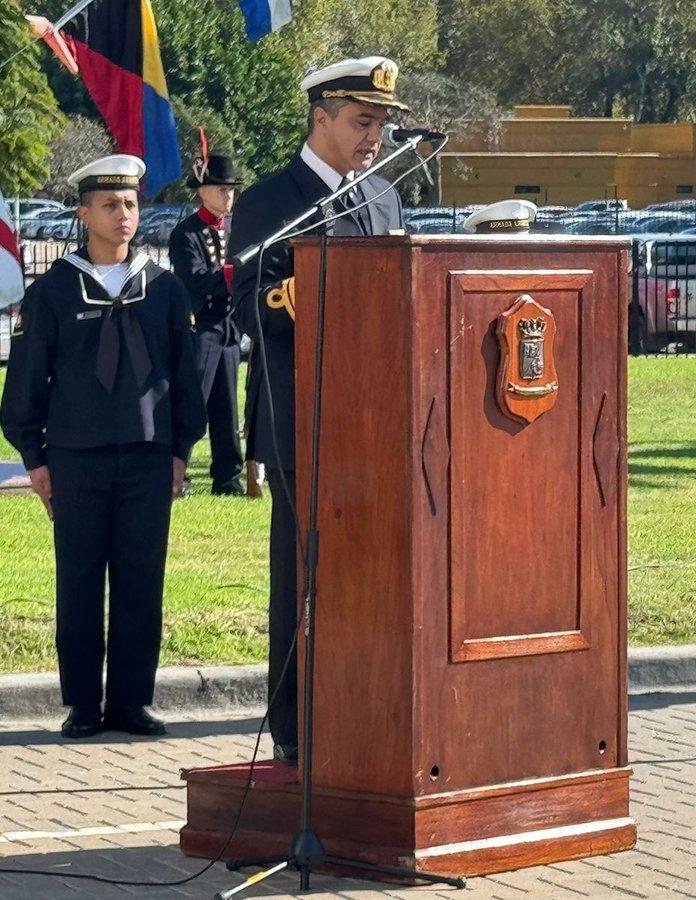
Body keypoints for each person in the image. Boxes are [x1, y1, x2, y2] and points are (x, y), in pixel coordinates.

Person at [229, 56, 407, 765]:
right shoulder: (275, 200)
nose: (374, 137)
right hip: (306, 423)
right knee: (305, 581)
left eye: (382, 124)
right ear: (321, 117)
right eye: (363, 122)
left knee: (374, 580)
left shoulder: (386, 198)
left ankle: (368, 709)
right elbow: (244, 303)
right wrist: (294, 298)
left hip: (379, 426)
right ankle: (299, 728)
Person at [0, 154, 206, 738]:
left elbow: (183, 377)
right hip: (76, 457)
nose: (123, 215)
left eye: (132, 204)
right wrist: (36, 458)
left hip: (147, 454)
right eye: (110, 205)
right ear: (83, 212)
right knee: (81, 579)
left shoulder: (162, 289)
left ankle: (132, 701)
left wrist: (180, 450)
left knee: (143, 578)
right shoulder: (55, 291)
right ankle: (83, 703)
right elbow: (26, 380)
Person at [169, 152, 245, 496]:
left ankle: (228, 477)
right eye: (221, 190)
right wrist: (234, 273)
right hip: (200, 326)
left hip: (228, 324)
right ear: (203, 191)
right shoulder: (186, 233)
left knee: (227, 407)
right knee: (191, 402)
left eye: (231, 190)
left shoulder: (235, 227)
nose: (228, 196)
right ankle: (177, 472)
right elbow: (195, 279)